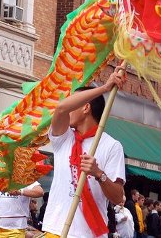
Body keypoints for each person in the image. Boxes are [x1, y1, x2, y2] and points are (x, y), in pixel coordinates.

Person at [41, 67, 126, 238]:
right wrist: (104, 88)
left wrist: (99, 174)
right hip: (56, 230)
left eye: (75, 102)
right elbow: (61, 108)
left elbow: (118, 197)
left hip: (89, 234)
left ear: (85, 107)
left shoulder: (112, 146)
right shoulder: (63, 138)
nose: (70, 107)